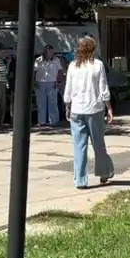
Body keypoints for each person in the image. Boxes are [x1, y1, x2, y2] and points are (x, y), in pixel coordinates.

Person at [63, 34, 114, 189]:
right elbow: (103, 89)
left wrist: (67, 106)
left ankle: (80, 180)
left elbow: (68, 89)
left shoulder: (73, 65)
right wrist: (109, 108)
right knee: (98, 143)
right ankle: (104, 172)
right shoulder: (97, 65)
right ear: (93, 48)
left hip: (77, 109)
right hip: (94, 108)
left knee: (79, 145)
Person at [35, 45, 63, 128]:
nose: (51, 53)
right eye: (49, 51)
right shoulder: (38, 60)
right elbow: (34, 71)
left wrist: (58, 82)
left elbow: (60, 71)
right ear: (45, 52)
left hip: (52, 83)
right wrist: (34, 81)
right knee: (41, 103)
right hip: (40, 83)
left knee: (52, 103)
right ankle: (41, 121)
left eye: (52, 51)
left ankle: (53, 121)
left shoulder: (56, 60)